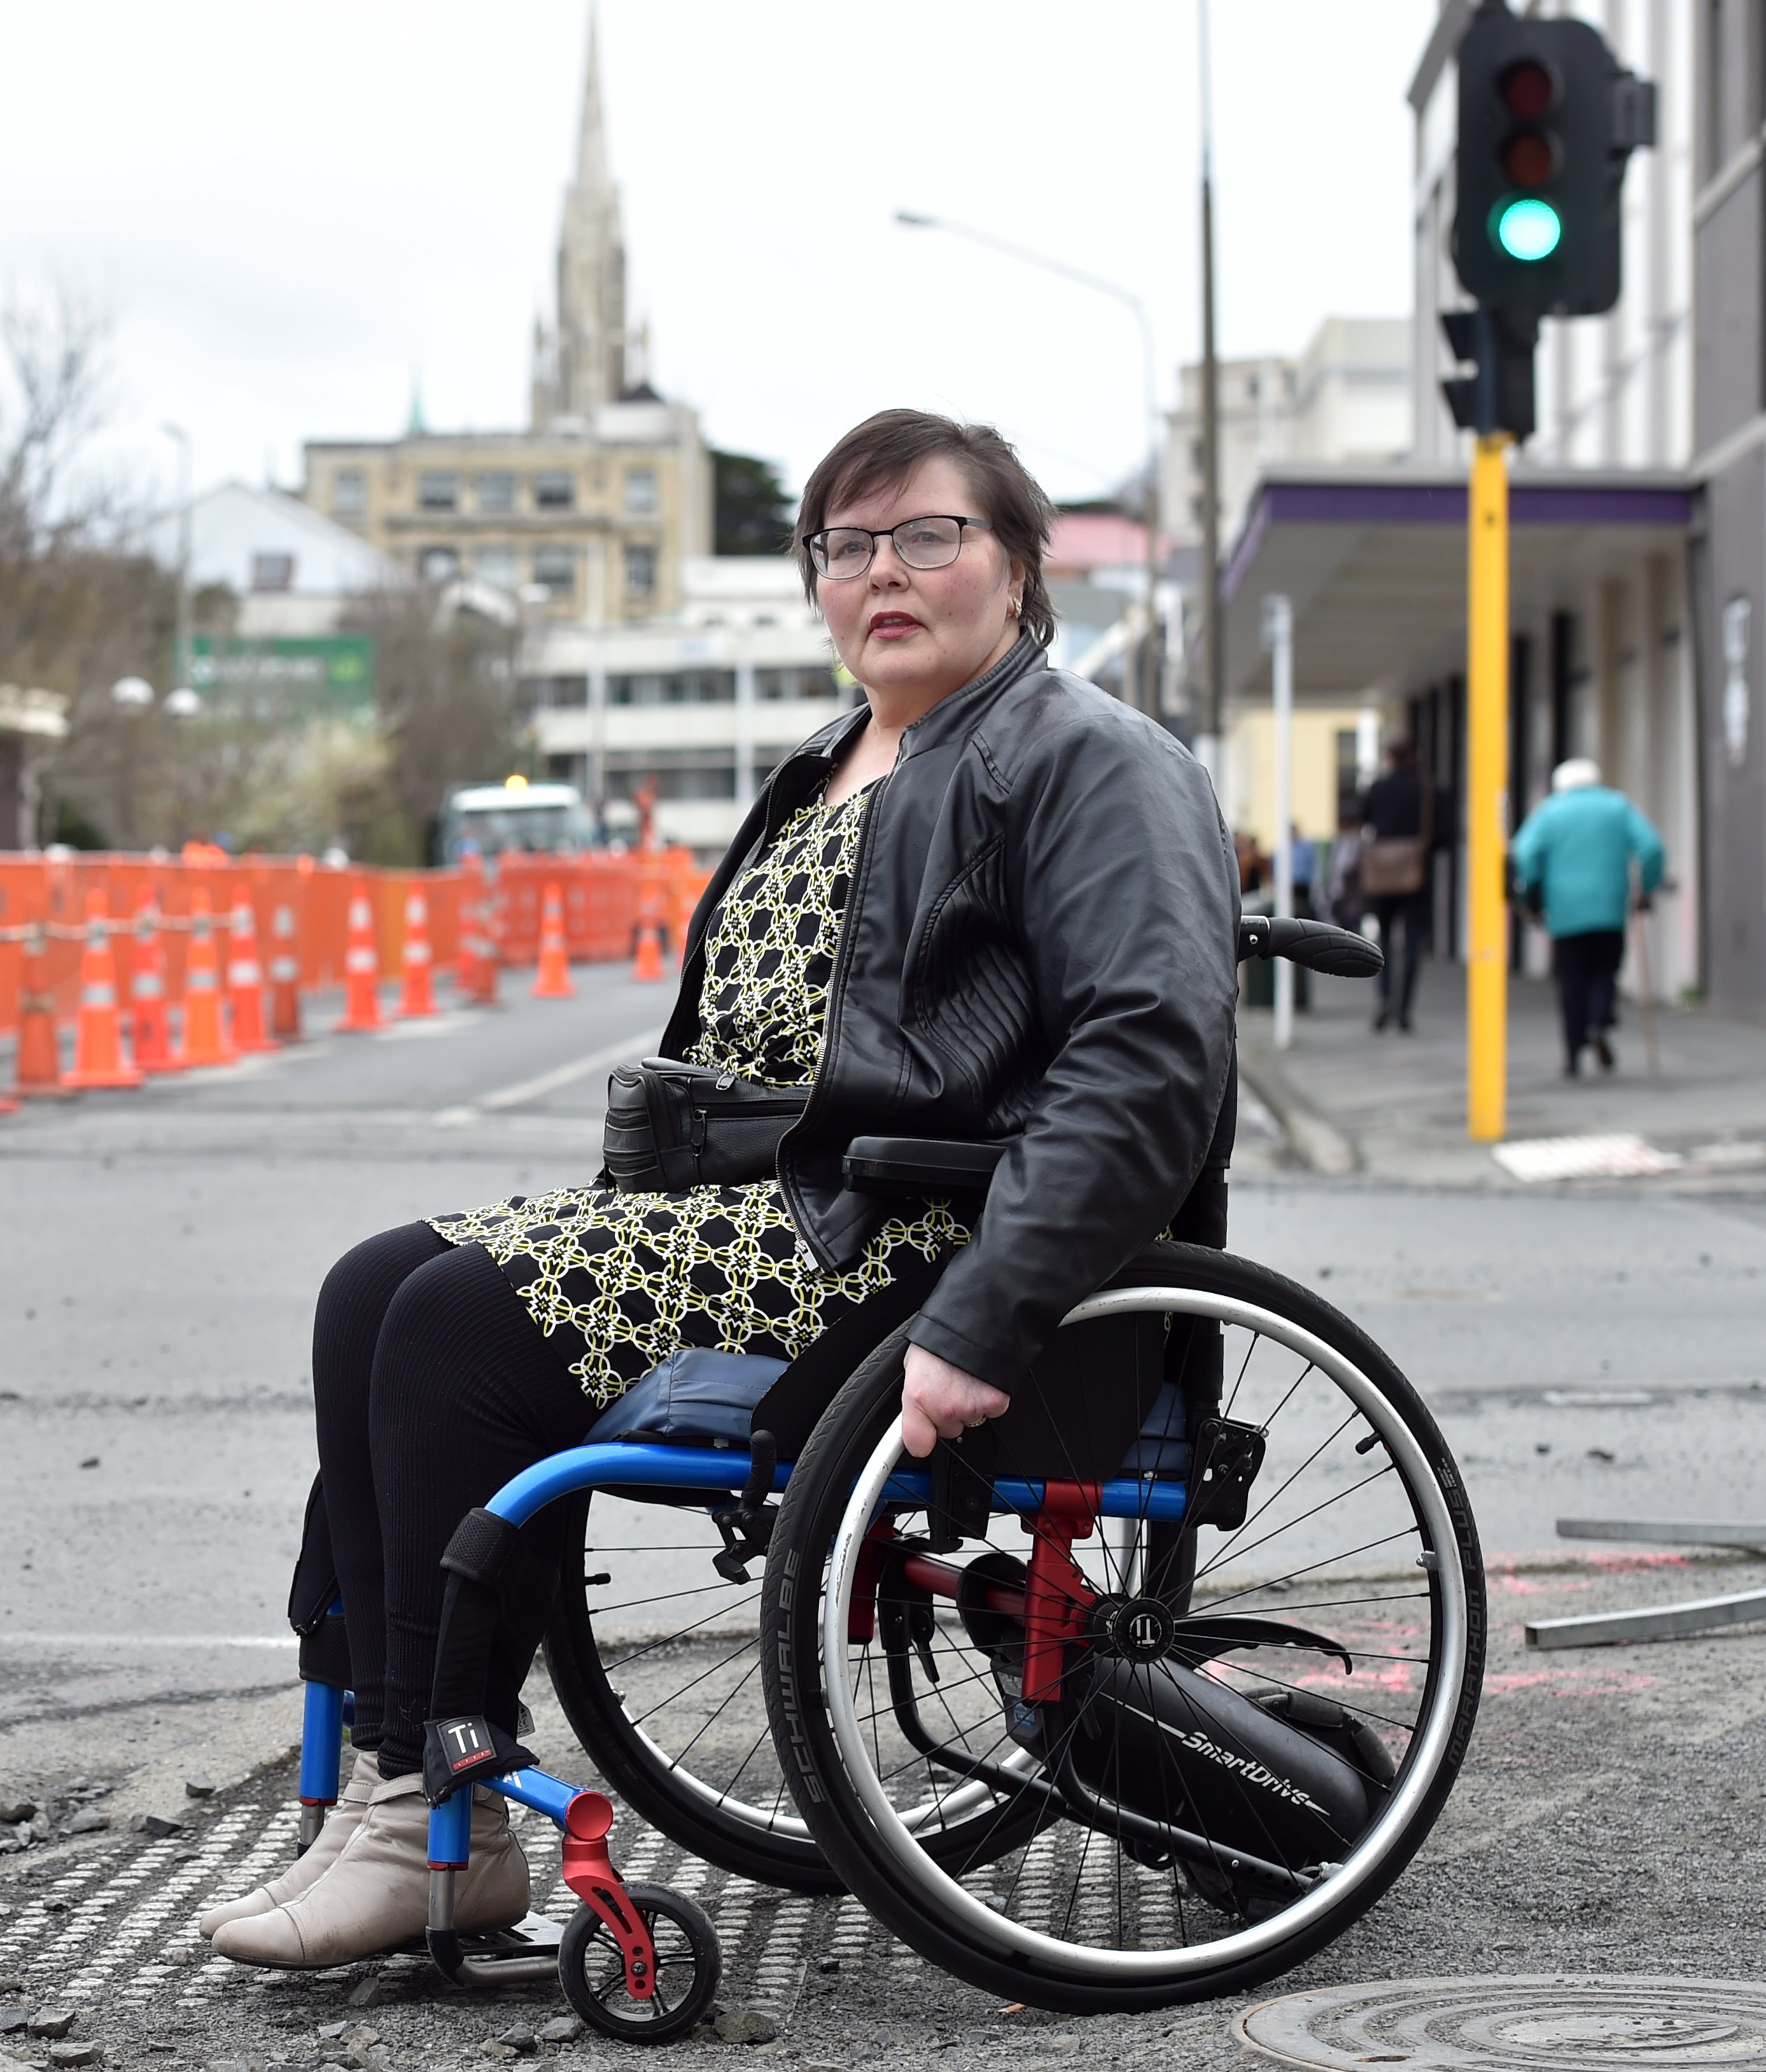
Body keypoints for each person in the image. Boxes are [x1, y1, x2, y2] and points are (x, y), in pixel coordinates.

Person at [199, 410, 1239, 1971]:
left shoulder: (1085, 757)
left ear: (1017, 568)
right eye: (845, 543)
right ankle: (394, 1780)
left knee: (454, 1327)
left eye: (927, 535)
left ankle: (441, 1812)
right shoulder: (827, 765)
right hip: (769, 1216)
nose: (882, 570)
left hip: (924, 1244)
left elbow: (1150, 1062)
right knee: (369, 1287)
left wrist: (988, 1309)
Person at [1513, 757, 1665, 1076]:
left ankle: (1572, 1053)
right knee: (1605, 971)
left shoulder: (1549, 812)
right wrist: (1645, 889)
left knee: (1570, 981)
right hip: (1610, 908)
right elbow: (1651, 847)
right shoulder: (1617, 807)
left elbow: (1524, 856)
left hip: (1565, 912)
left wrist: (1528, 896)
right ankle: (1599, 1022)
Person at [1357, 740, 1432, 1034]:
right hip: (1414, 873)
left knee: (1384, 940)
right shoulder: (1424, 789)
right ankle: (1405, 1009)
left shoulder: (1377, 788)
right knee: (1413, 942)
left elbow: (1364, 819)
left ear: (1389, 758)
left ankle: (1384, 1001)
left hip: (1382, 872)